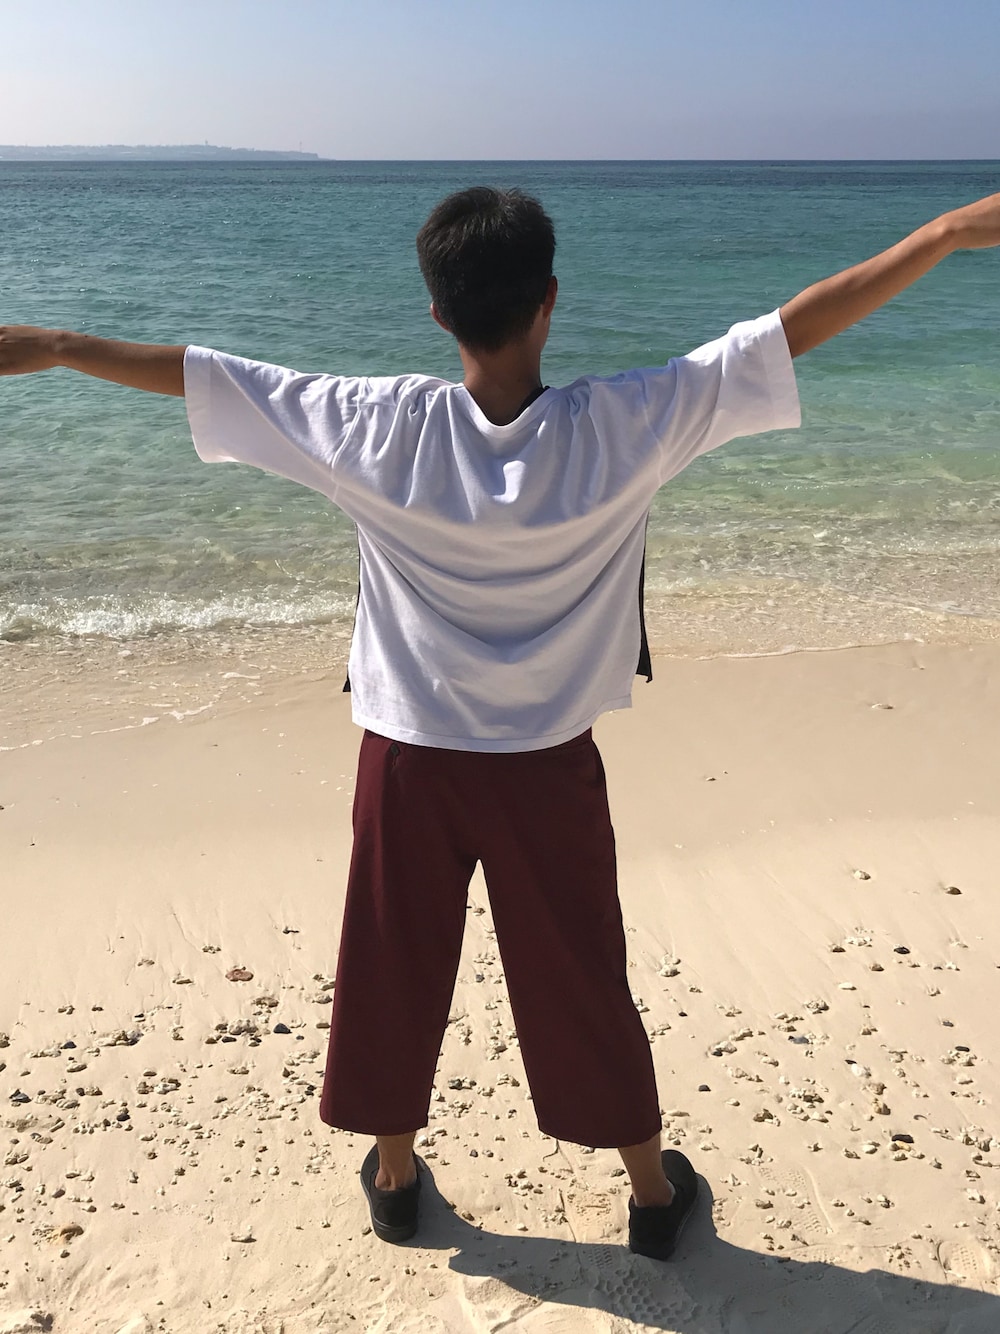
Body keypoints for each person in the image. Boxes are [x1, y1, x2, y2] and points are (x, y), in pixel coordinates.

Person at [2, 186, 998, 1261]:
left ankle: (394, 1176)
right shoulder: (624, 425)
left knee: (392, 960)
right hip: (546, 768)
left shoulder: (374, 425)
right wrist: (942, 234)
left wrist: (55, 346)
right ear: (549, 302)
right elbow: (791, 331)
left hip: (408, 761)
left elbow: (201, 373)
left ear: (438, 313)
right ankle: (650, 1192)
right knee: (581, 970)